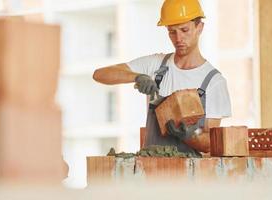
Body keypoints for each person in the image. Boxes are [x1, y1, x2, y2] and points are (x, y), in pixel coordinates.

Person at [93, 0, 231, 157]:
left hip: (189, 176)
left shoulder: (213, 81)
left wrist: (190, 136)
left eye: (184, 30)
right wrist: (137, 77)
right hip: (151, 172)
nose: (178, 38)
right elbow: (99, 74)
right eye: (172, 32)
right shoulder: (157, 65)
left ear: (200, 27)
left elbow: (209, 144)